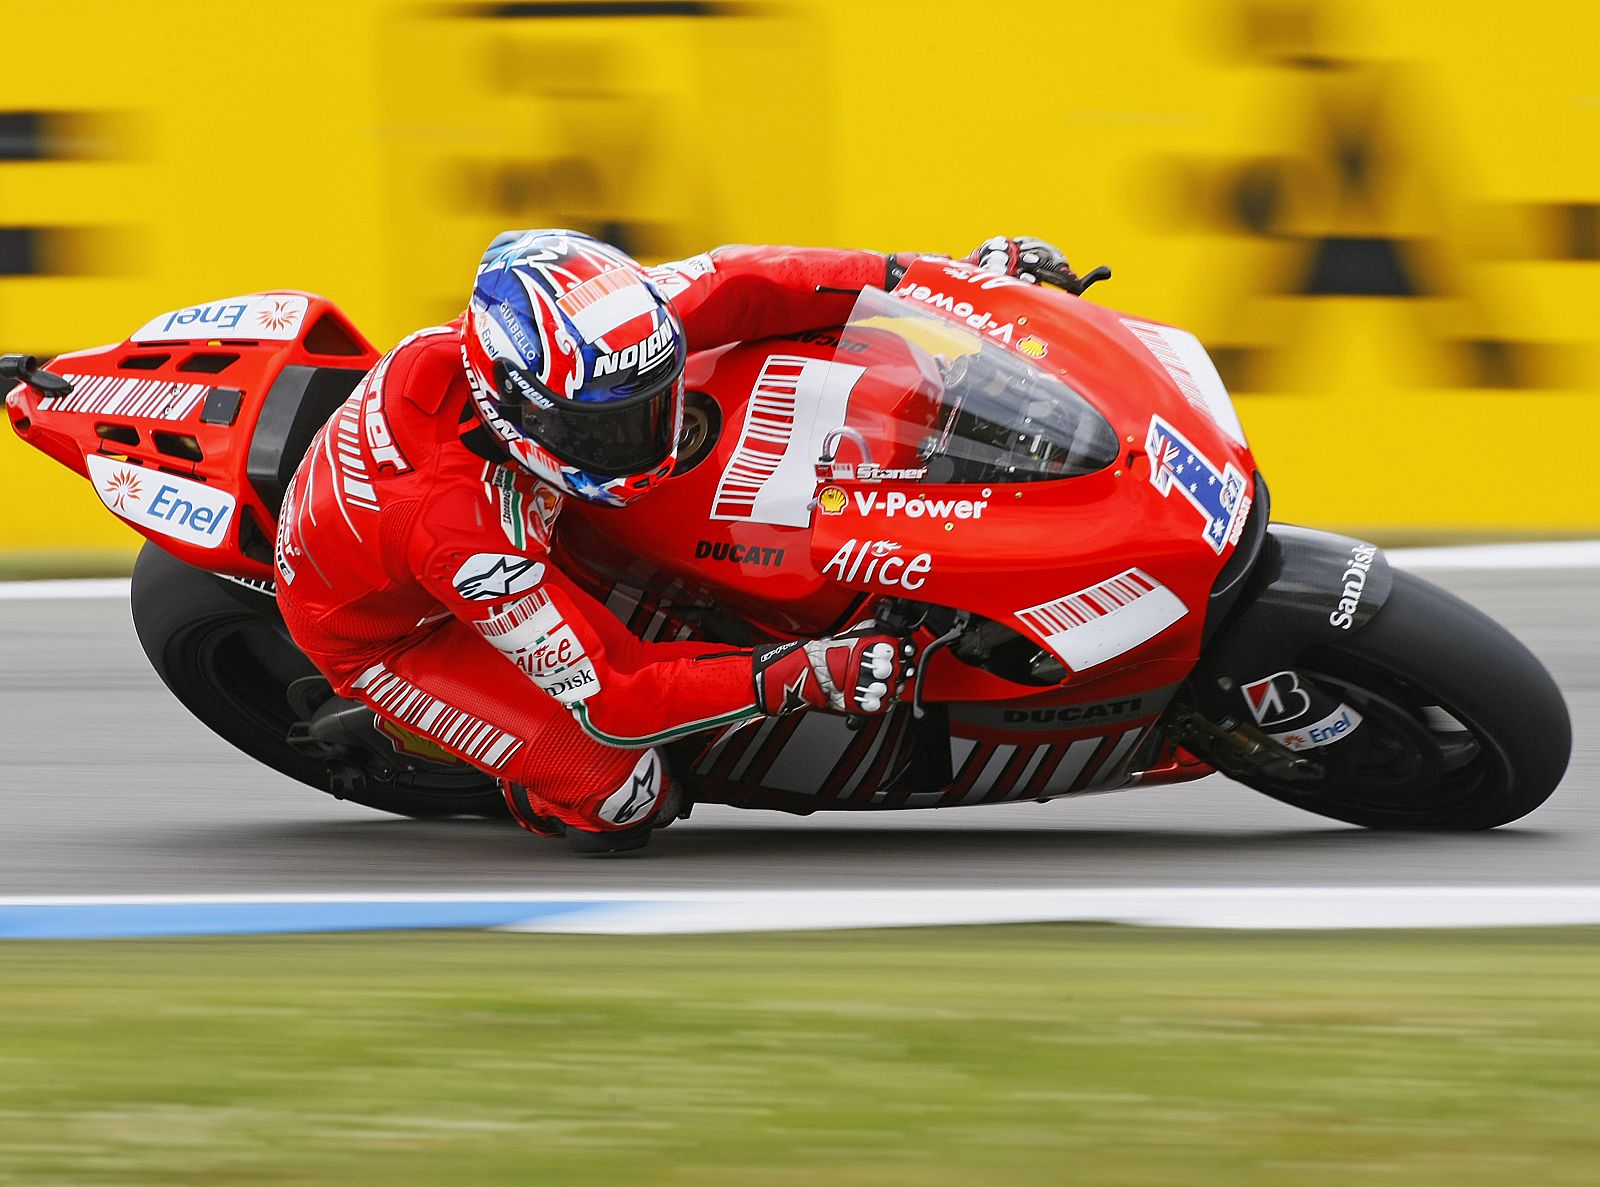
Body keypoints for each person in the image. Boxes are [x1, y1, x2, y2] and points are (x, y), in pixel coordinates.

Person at [273, 230, 1075, 852]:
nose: (654, 435)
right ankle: (489, 763)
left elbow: (742, 282)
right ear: (522, 411)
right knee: (626, 791)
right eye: (616, 427)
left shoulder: (582, 343)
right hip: (400, 632)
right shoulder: (463, 537)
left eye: (655, 402)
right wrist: (801, 672)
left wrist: (944, 282)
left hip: (479, 514)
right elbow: (616, 693)